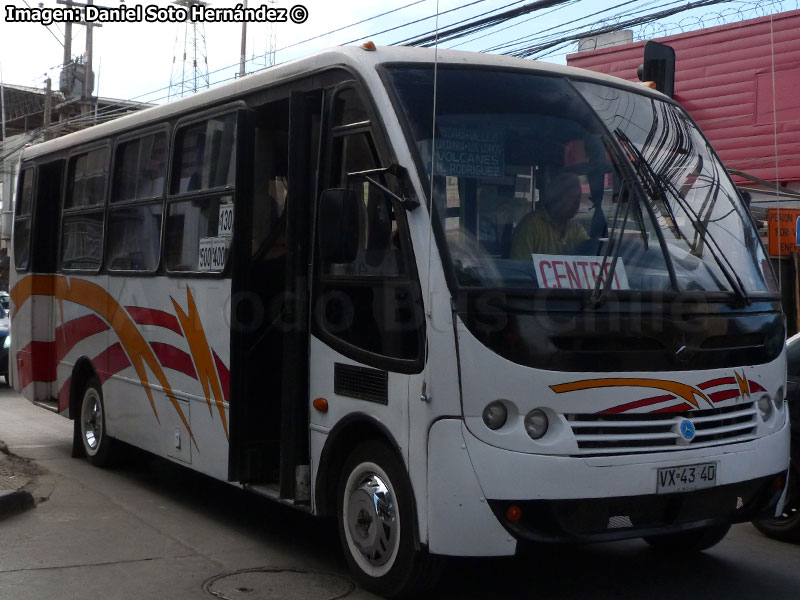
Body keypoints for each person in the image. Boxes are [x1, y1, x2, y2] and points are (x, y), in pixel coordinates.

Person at [510, 172, 588, 258]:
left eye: (578, 197)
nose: (577, 203)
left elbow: (591, 252)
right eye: (571, 197)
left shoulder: (576, 229)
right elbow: (519, 267)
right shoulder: (530, 226)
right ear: (557, 197)